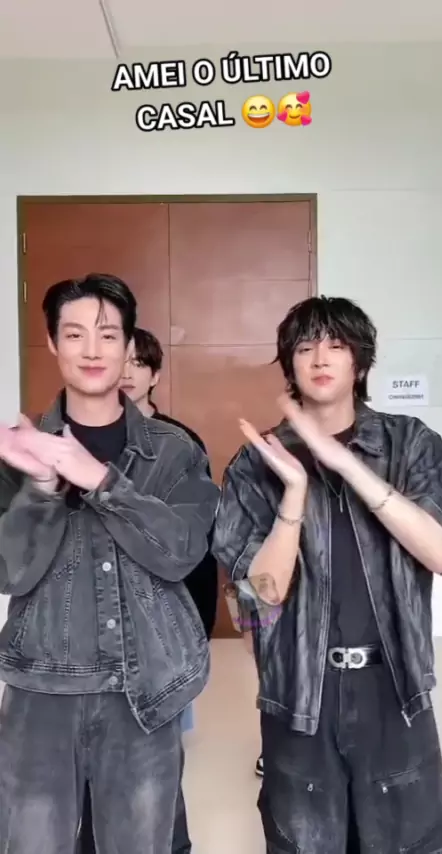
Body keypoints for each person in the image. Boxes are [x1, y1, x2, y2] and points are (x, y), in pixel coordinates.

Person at [212, 295, 442, 854]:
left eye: (336, 344)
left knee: (412, 839)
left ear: (360, 360)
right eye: (305, 347)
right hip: (300, 695)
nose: (320, 358)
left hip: (395, 688)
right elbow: (259, 599)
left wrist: (345, 463)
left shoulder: (411, 444)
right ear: (290, 363)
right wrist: (295, 495)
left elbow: (441, 551)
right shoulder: (257, 462)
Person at [0, 273, 219, 854]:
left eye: (107, 334)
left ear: (128, 346)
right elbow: (9, 572)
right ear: (53, 343)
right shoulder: (21, 451)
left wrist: (101, 480)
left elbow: (181, 553)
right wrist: (41, 488)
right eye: (74, 334)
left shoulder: (174, 451)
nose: (92, 350)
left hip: (145, 688)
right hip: (41, 686)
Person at [77, 326, 218, 854]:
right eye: (124, 359)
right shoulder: (74, 438)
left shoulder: (179, 444)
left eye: (141, 363)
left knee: (155, 762)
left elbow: (194, 547)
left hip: (158, 625)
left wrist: (194, 630)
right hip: (91, 636)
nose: (129, 371)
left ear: (155, 374)